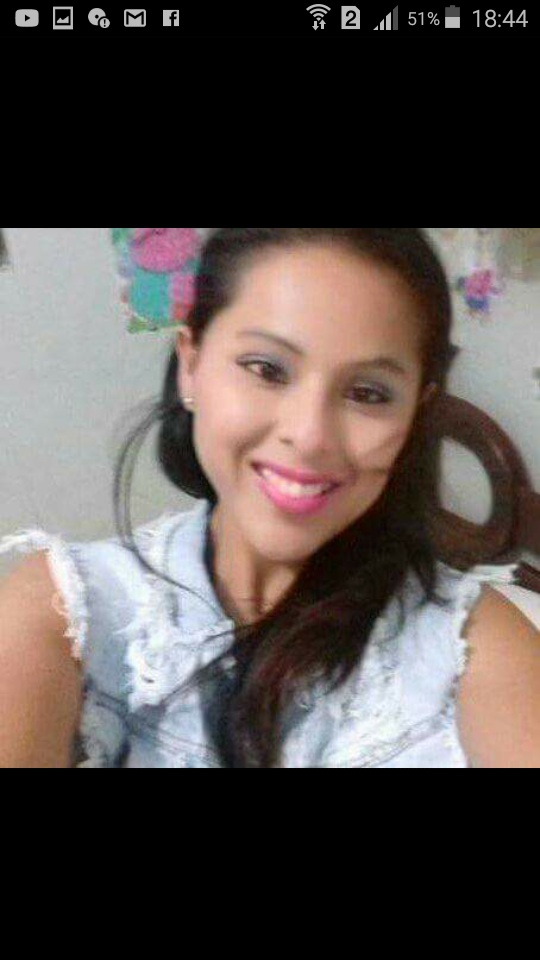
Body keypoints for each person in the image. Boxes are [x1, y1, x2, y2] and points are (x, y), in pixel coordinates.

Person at [1, 227, 539, 768]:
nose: (309, 436)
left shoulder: (474, 645)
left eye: (368, 393)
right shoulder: (65, 611)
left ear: (415, 415)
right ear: (191, 364)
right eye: (267, 369)